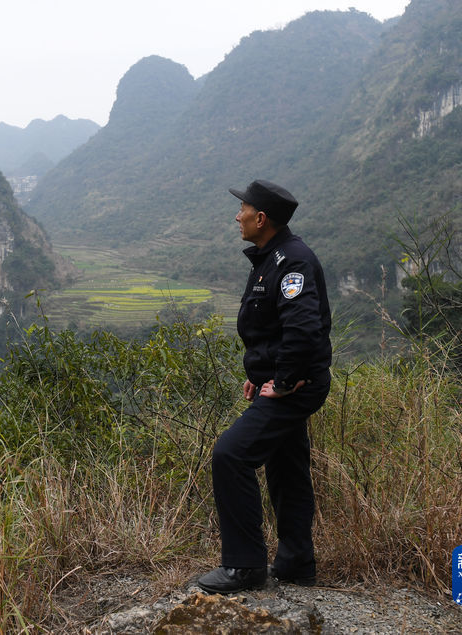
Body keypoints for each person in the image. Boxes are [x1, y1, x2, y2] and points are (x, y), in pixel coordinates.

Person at [197, 179, 332, 594]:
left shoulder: (292, 262)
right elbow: (271, 330)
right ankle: (296, 563)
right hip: (283, 381)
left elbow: (302, 329)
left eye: (242, 210)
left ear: (260, 218)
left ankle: (245, 566)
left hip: (298, 385)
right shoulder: (270, 259)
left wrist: (284, 381)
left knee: (231, 454)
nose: (236, 216)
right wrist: (259, 376)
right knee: (286, 467)